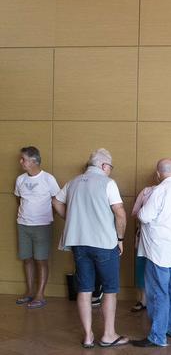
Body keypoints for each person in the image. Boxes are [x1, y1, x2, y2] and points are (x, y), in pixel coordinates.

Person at [52, 148, 129, 348]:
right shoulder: (108, 183)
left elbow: (56, 201)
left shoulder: (73, 182)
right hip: (104, 243)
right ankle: (108, 335)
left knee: (85, 289)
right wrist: (120, 238)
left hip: (78, 243)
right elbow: (120, 213)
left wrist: (71, 219)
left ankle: (88, 336)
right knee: (110, 290)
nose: (110, 171)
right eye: (110, 167)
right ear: (104, 166)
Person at [132, 159, 171, 347]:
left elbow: (143, 216)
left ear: (158, 173)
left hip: (158, 250)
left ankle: (157, 336)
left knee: (159, 292)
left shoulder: (159, 191)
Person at [14, 146, 60, 309]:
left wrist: (47, 217)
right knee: (27, 259)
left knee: (41, 260)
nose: (21, 162)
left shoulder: (48, 179)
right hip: (23, 225)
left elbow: (56, 202)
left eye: (23, 159)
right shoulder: (20, 180)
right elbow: (19, 200)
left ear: (34, 161)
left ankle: (40, 294)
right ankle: (29, 292)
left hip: (42, 226)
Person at [130, 177, 158, 312]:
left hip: (162, 239)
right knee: (141, 267)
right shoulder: (146, 191)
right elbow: (135, 213)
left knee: (159, 270)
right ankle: (143, 300)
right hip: (144, 236)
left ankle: (157, 301)